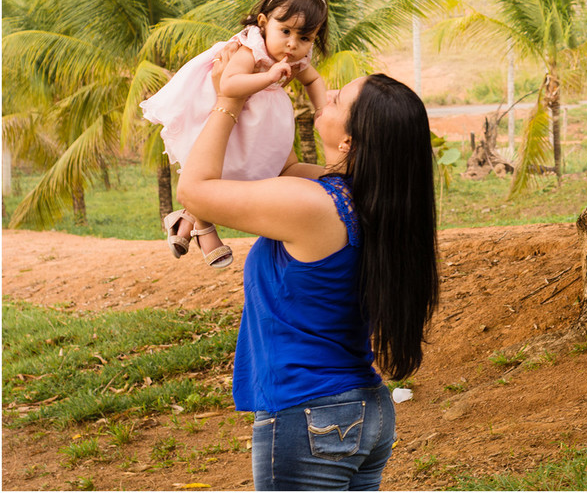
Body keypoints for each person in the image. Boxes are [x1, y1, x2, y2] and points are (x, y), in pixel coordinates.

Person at [177, 67, 440, 489]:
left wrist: (228, 98)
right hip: (362, 410)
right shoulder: (371, 199)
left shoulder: (315, 206)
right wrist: (275, 88)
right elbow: (286, 164)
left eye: (338, 99)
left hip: (311, 413)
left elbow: (193, 189)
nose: (327, 94)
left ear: (350, 141)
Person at [141, 0, 329, 268]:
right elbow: (229, 83)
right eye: (286, 31)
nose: (293, 44)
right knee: (216, 171)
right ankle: (203, 227)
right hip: (229, 111)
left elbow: (313, 79)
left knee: (261, 170)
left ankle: (184, 220)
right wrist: (268, 77)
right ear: (264, 23)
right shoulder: (250, 48)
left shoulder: (294, 56)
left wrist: (322, 109)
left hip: (260, 123)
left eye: (305, 38)